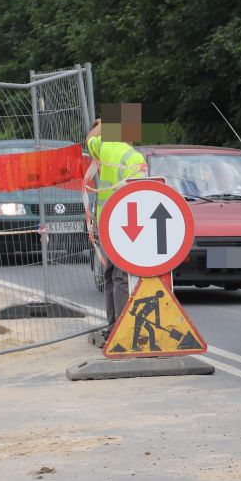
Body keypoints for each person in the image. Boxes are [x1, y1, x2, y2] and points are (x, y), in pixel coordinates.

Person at [85, 119, 149, 339]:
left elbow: (90, 138)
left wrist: (103, 123)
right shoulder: (134, 157)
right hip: (126, 225)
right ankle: (122, 330)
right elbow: (141, 193)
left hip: (106, 222)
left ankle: (113, 325)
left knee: (111, 274)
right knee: (122, 276)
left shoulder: (106, 148)